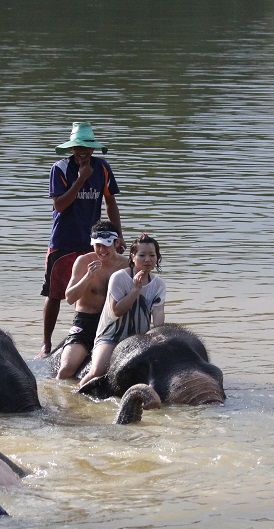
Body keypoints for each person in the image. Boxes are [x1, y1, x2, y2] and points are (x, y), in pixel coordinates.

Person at [40, 122, 122, 357]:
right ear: (72, 148)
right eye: (78, 147)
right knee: (55, 294)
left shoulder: (102, 168)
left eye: (87, 147)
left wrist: (118, 235)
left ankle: (90, 335)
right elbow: (60, 205)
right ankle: (46, 344)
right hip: (63, 242)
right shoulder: (60, 169)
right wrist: (81, 178)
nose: (82, 151)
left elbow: (110, 203)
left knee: (94, 290)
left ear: (93, 149)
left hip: (94, 241)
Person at [77, 233, 165, 390]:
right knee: (97, 371)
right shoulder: (119, 277)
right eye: (142, 255)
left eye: (152, 255)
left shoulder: (158, 284)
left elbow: (158, 314)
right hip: (111, 336)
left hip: (139, 338)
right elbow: (117, 310)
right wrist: (135, 290)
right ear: (132, 256)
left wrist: (158, 337)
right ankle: (73, 396)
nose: (147, 260)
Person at [56, 221, 130, 379]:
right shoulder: (83, 262)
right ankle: (57, 400)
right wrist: (88, 276)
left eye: (106, 245)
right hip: (86, 322)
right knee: (66, 369)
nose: (102, 250)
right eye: (98, 246)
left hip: (114, 322)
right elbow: (69, 298)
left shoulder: (126, 265)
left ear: (116, 243)